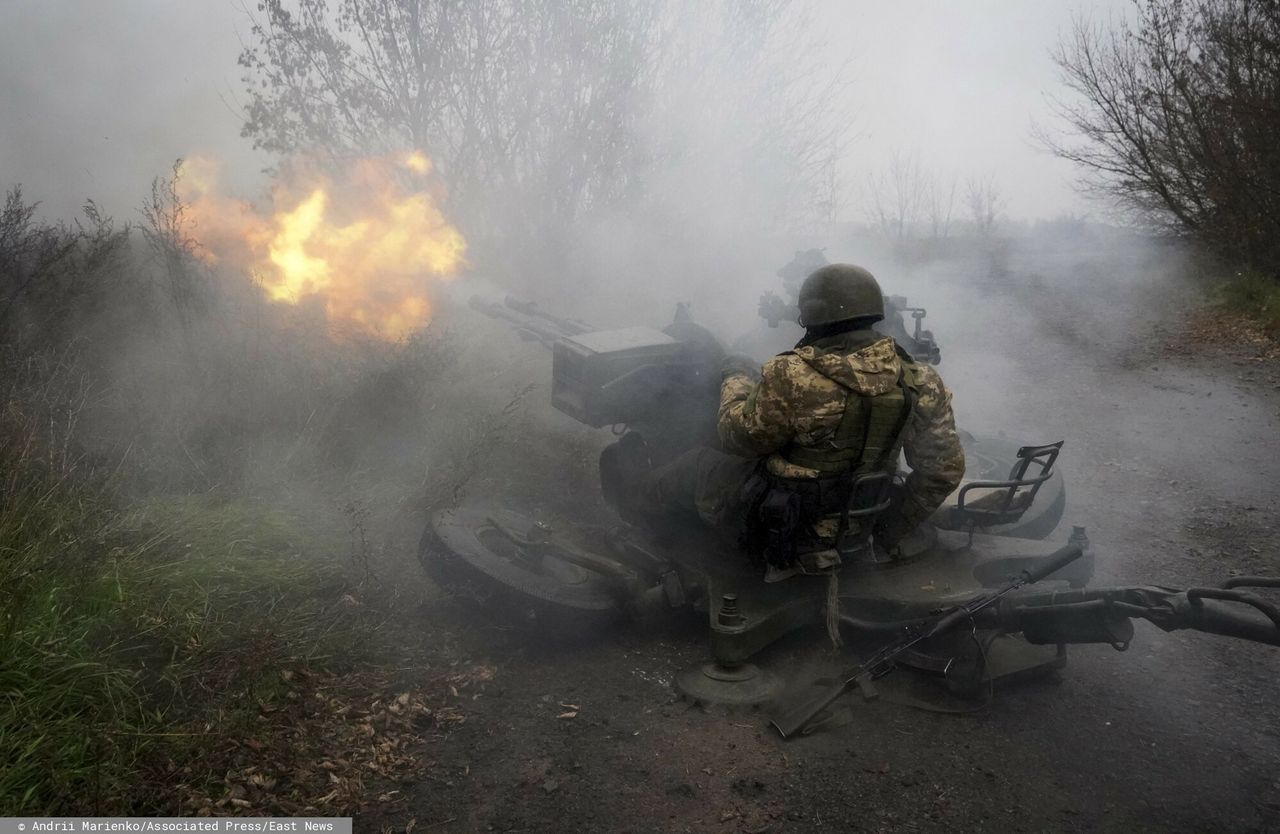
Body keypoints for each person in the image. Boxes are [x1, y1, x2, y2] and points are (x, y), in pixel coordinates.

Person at [636, 264, 965, 578]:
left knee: (696, 465)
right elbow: (943, 471)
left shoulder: (791, 373)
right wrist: (887, 529)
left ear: (811, 317)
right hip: (863, 517)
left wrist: (736, 376)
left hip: (781, 524)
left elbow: (738, 438)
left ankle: (636, 534)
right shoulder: (920, 379)